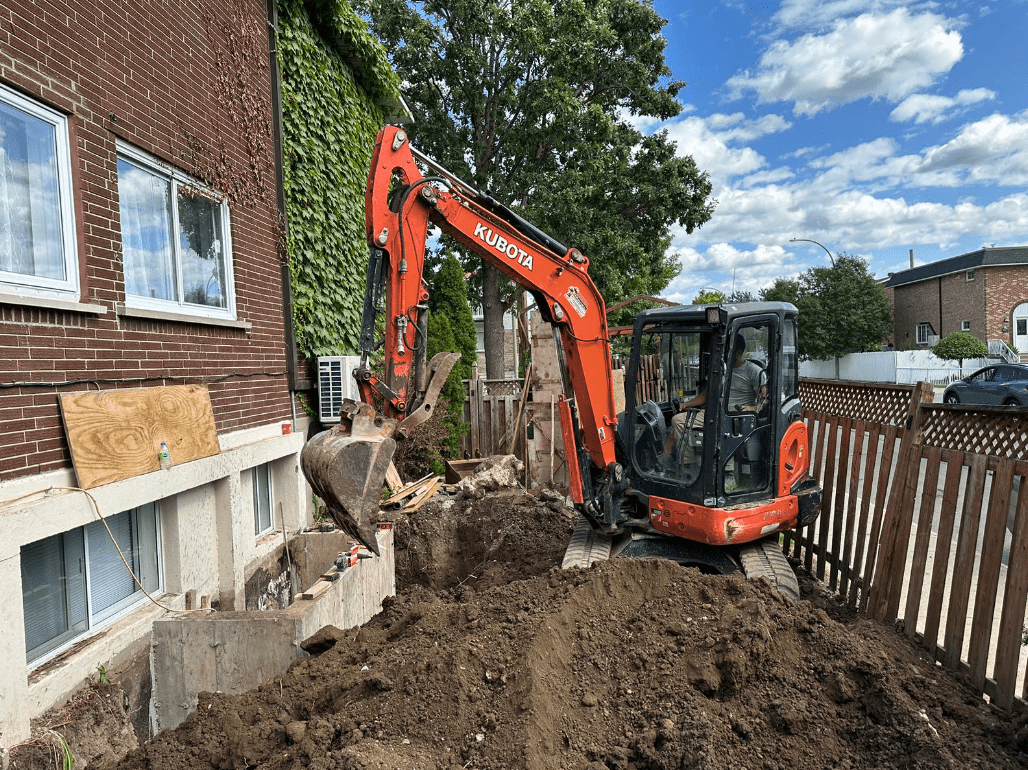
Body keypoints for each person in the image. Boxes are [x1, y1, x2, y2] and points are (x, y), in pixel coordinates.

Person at [661, 333, 767, 469]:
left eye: (727, 351)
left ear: (739, 352)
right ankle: (688, 466)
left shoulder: (754, 372)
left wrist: (751, 409)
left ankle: (724, 471)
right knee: (678, 421)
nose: (723, 355)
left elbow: (763, 402)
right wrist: (684, 404)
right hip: (714, 413)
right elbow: (707, 394)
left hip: (735, 417)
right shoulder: (720, 370)